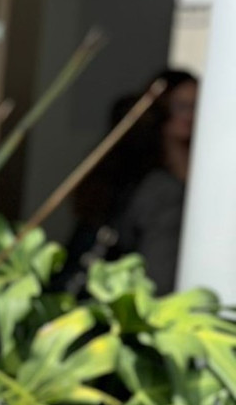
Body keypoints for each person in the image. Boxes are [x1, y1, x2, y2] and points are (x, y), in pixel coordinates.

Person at [59, 69, 198, 296]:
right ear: (162, 111)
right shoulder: (157, 187)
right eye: (182, 106)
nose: (191, 116)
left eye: (198, 107)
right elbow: (157, 280)